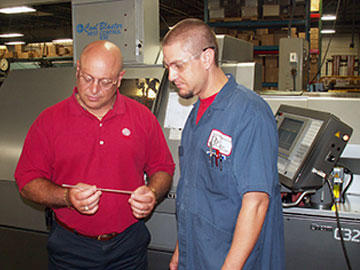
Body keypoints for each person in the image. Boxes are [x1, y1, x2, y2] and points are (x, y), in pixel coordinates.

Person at [15, 40, 175, 269]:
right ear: (78, 70)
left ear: (119, 79)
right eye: (87, 78)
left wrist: (152, 192)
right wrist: (67, 197)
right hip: (71, 249)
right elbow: (27, 181)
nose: (93, 89)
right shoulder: (49, 121)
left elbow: (163, 167)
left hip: (128, 247)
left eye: (105, 82)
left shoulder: (142, 118)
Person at [162, 18, 284, 270]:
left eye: (178, 66)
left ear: (207, 58)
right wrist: (180, 249)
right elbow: (194, 193)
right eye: (167, 67)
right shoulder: (196, 115)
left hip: (231, 260)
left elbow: (257, 202)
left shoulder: (249, 114)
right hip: (196, 253)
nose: (171, 76)